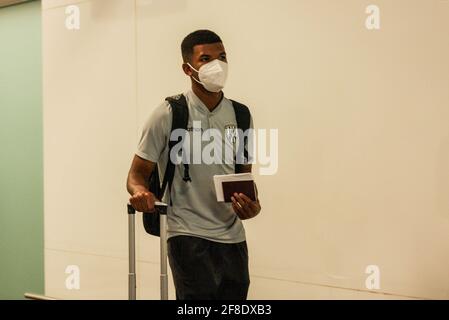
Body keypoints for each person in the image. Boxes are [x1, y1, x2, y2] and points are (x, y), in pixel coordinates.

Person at [126, 29, 261, 300]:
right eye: (206, 59)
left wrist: (252, 206)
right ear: (188, 68)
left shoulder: (241, 114)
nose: (217, 65)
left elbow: (244, 178)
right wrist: (140, 192)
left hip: (233, 237)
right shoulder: (169, 113)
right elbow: (136, 174)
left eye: (222, 57)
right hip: (186, 234)